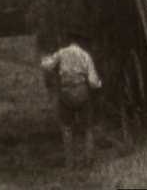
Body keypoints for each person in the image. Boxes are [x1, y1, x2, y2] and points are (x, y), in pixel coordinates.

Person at [40, 29, 102, 168]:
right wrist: (99, 84)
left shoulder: (61, 53)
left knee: (67, 128)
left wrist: (44, 58)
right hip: (82, 92)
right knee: (88, 128)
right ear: (80, 41)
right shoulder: (85, 55)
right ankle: (89, 160)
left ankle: (70, 162)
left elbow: (46, 66)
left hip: (66, 93)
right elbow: (92, 81)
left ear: (69, 40)